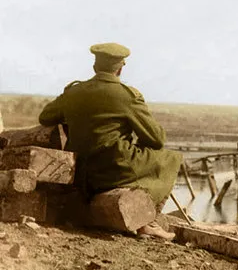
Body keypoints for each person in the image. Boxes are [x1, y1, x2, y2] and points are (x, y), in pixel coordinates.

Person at [38, 42, 182, 240]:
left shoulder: (74, 92)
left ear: (95, 67)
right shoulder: (126, 96)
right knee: (170, 158)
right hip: (112, 171)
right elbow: (157, 139)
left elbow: (45, 117)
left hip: (79, 172)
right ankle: (149, 222)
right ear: (120, 68)